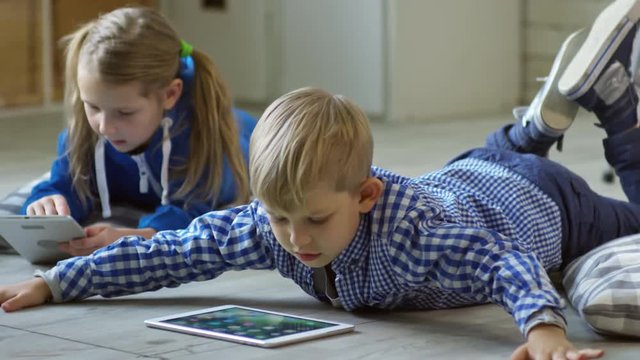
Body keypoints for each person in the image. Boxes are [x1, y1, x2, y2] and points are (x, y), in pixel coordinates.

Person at [2, 0, 639, 358]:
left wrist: (545, 329)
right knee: (480, 164)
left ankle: (615, 109)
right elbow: (174, 251)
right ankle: (532, 126)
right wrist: (60, 281)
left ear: (366, 198)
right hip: (469, 174)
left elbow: (507, 261)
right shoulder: (270, 223)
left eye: (313, 220)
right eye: (278, 217)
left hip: (541, 202)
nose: (295, 239)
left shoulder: (420, 239)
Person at [20, 7, 257, 256]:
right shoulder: (85, 130)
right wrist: (49, 202)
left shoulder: (205, 137)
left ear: (170, 95)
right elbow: (66, 184)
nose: (104, 126)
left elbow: (197, 212)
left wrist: (138, 236)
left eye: (124, 113)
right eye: (93, 106)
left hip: (248, 135)